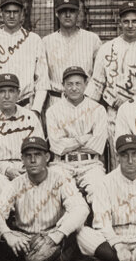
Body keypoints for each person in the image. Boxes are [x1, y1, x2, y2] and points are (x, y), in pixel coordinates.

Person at [0, 137, 89, 261]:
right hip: (26, 240)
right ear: (22, 159)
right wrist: (8, 235)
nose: (33, 160)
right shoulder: (15, 184)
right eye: (28, 156)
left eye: (38, 155)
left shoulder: (59, 179)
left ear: (47, 157)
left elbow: (81, 208)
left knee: (74, 232)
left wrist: (57, 235)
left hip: (53, 236)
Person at [86, 0, 136, 156]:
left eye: (135, 21)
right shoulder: (107, 48)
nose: (130, 25)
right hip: (113, 111)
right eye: (126, 21)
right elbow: (96, 84)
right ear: (119, 22)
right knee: (117, 158)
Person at [0, 0, 48, 116]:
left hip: (26, 106)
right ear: (0, 13)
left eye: (15, 12)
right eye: (7, 12)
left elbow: (42, 81)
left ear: (22, 14)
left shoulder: (34, 40)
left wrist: (36, 109)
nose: (11, 15)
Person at [46, 66, 108, 203]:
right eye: (69, 84)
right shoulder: (53, 111)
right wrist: (85, 138)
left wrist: (68, 142)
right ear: (63, 86)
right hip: (62, 165)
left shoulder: (98, 109)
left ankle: (101, 225)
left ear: (86, 85)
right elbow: (57, 147)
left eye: (78, 83)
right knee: (60, 192)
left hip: (91, 164)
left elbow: (97, 146)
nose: (74, 88)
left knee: (100, 189)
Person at [0, 74, 44, 193]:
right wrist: (7, 170)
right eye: (2, 91)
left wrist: (27, 169)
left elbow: (39, 150)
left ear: (18, 93)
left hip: (26, 168)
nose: (7, 96)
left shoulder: (30, 117)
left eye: (11, 91)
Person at [42, 0, 102, 107]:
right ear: (56, 14)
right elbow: (42, 77)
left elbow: (99, 74)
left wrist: (91, 99)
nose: (68, 15)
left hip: (85, 100)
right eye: (63, 11)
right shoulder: (46, 42)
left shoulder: (92, 39)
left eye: (72, 11)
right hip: (56, 100)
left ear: (78, 13)